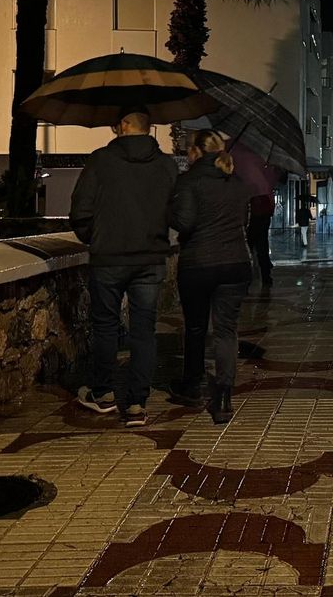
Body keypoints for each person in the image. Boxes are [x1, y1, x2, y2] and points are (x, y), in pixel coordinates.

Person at [70, 108, 178, 428]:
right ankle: (136, 404)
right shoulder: (166, 165)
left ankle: (103, 392)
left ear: (125, 125)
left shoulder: (100, 161)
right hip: (149, 258)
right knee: (144, 330)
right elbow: (175, 212)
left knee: (105, 325)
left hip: (109, 257)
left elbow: (80, 211)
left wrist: (97, 237)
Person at [168, 130, 255, 423]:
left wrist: (169, 210)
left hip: (199, 264)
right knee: (226, 330)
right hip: (236, 263)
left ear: (195, 151)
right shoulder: (238, 183)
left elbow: (184, 222)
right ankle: (224, 396)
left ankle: (192, 385)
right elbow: (244, 221)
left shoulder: (189, 181)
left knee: (195, 327)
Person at [247, 189, 276, 288]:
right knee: (263, 251)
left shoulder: (251, 197)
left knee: (249, 251)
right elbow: (271, 210)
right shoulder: (266, 196)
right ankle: (266, 277)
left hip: (253, 225)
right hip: (263, 225)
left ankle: (248, 277)